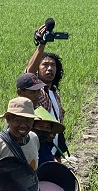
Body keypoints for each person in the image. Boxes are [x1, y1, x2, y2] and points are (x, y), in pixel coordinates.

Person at [26, 28, 70, 161]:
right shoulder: (37, 92)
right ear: (38, 70)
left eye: (53, 65)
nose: (50, 68)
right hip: (37, 148)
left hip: (51, 150)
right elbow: (29, 74)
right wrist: (42, 44)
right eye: (45, 64)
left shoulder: (54, 95)